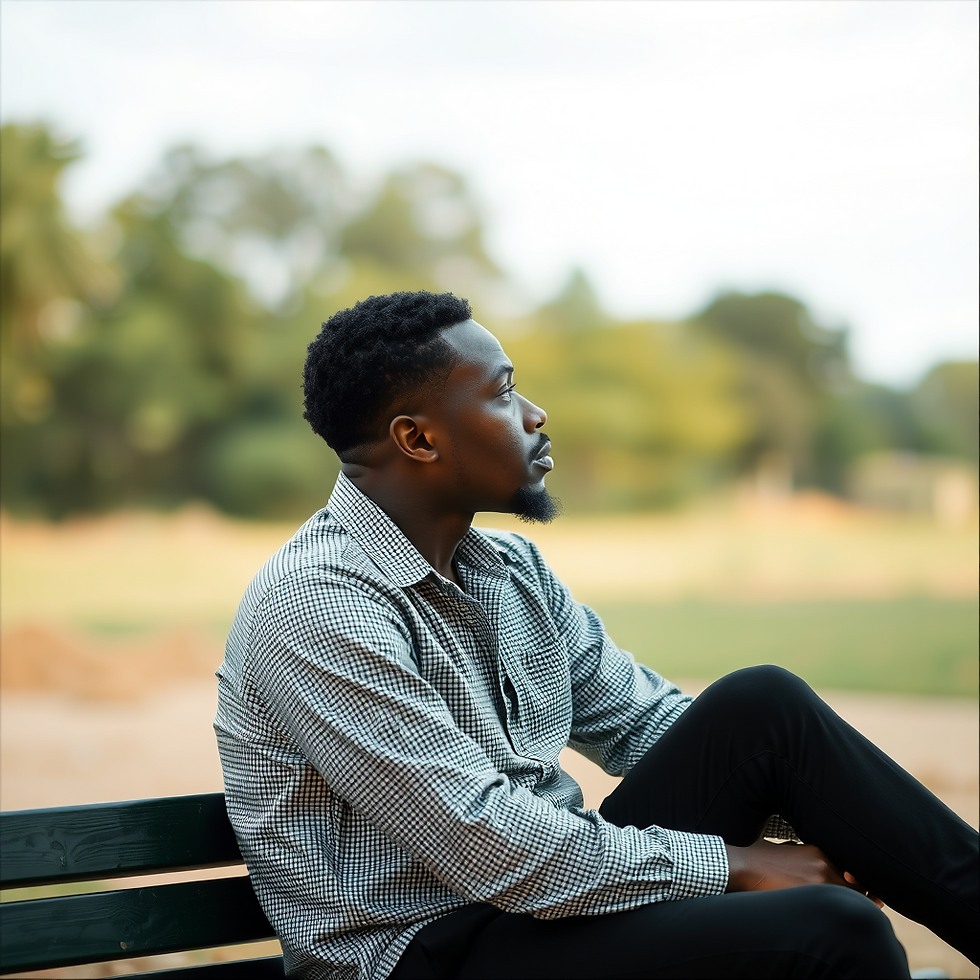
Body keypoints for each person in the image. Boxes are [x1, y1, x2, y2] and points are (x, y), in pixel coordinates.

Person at [214, 290, 978, 980]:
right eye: (504, 392)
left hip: (534, 912)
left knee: (762, 708)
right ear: (418, 439)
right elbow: (490, 844)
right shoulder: (319, 604)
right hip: (423, 953)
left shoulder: (509, 569)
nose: (536, 414)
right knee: (830, 931)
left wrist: (844, 839)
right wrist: (732, 865)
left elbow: (650, 725)